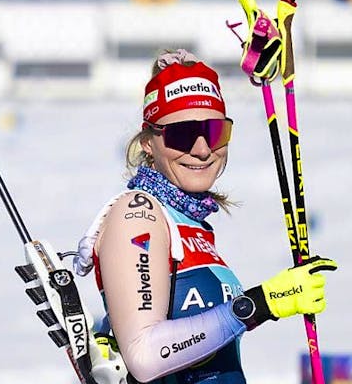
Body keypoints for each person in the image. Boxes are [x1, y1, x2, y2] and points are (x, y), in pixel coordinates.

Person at [73, 49, 337, 384]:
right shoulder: (138, 214)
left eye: (214, 132)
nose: (201, 149)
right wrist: (261, 303)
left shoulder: (190, 222)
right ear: (149, 142)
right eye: (182, 134)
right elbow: (143, 355)